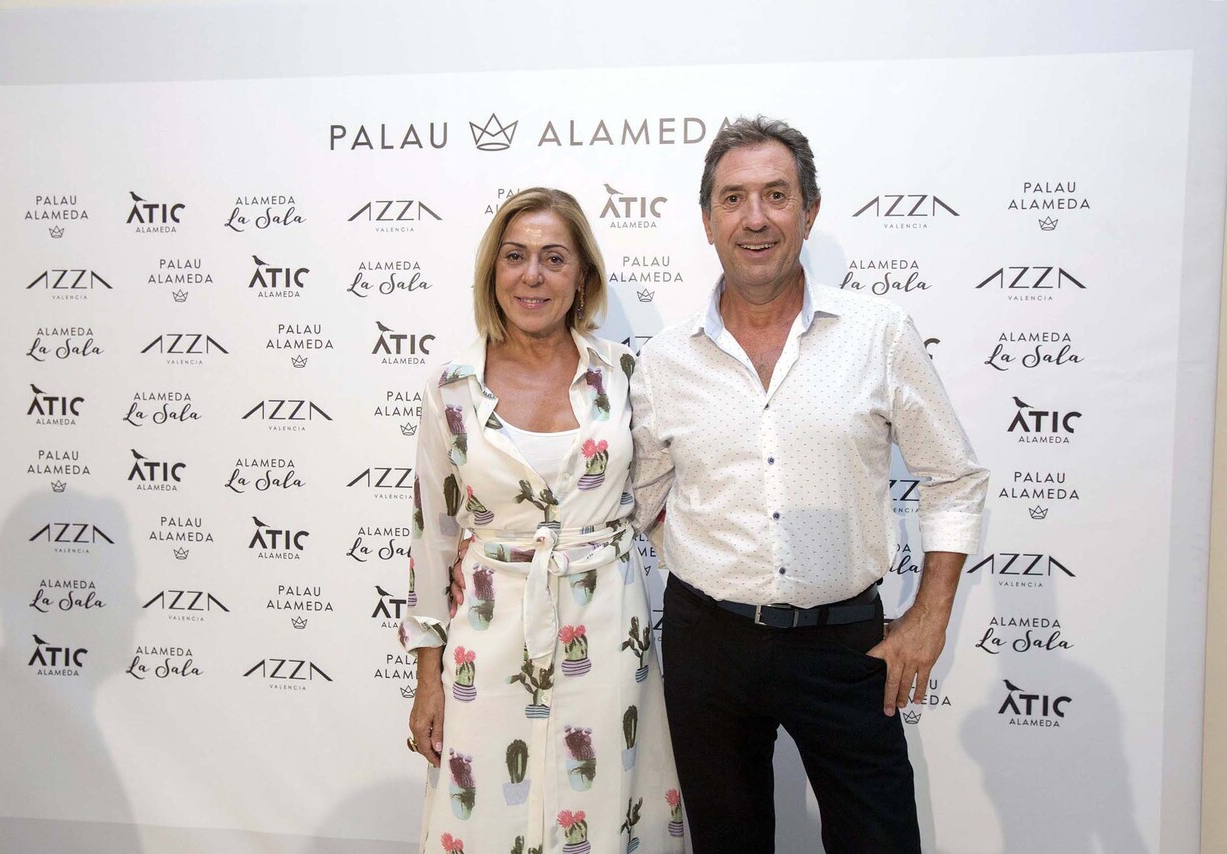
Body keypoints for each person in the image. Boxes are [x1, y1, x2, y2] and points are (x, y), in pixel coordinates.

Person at [628, 117, 989, 853]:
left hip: (845, 644)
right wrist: (710, 547)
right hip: (707, 646)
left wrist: (930, 616)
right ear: (708, 221)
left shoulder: (878, 333)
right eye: (733, 199)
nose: (755, 218)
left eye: (776, 194)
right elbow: (640, 496)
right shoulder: (666, 360)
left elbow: (953, 477)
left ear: (809, 210)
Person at [400, 188, 686, 854]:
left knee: (606, 807)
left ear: (582, 276)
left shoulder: (625, 374)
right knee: (482, 815)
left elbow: (662, 500)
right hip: (488, 632)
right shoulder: (451, 386)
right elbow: (432, 536)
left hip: (607, 627)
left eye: (554, 258)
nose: (532, 275)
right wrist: (427, 679)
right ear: (493, 272)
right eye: (515, 257)